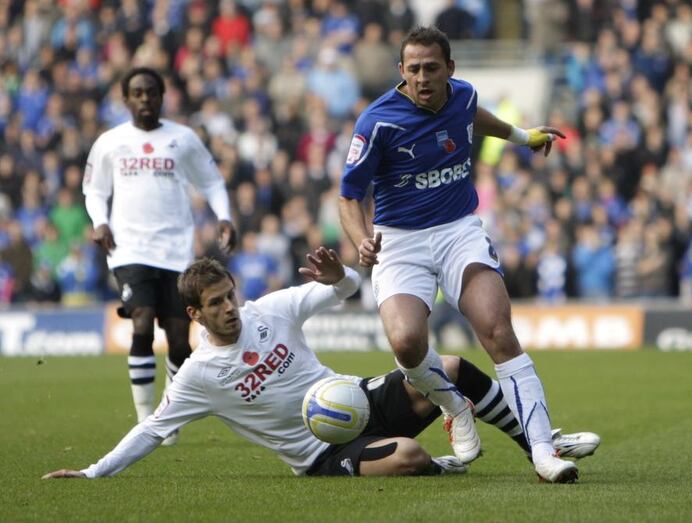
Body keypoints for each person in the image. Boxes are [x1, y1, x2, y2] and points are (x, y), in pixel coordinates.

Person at [42, 249, 599, 480]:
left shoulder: (269, 311)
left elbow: (348, 290)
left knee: (449, 365)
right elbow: (151, 430)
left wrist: (337, 276)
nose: (230, 309)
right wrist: (93, 472)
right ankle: (439, 465)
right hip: (324, 450)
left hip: (354, 396)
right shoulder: (198, 377)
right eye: (216, 304)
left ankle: (538, 444)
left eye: (230, 296)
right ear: (195, 312)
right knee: (408, 455)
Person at [338, 26, 578, 482]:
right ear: (401, 72)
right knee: (407, 344)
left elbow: (474, 118)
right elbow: (348, 194)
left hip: (457, 232)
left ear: (450, 68)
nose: (423, 78)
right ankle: (453, 404)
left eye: (432, 68)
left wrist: (523, 137)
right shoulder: (377, 121)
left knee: (498, 332)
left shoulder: (463, 96)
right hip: (399, 240)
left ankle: (544, 453)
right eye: (413, 70)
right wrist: (360, 239)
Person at [82, 67, 237, 445]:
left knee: (180, 337)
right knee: (141, 320)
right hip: (128, 249)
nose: (144, 99)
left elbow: (212, 181)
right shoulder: (110, 142)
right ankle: (143, 420)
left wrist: (225, 216)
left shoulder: (182, 139)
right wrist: (100, 223)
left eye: (151, 92)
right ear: (126, 99)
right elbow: (94, 190)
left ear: (162, 95)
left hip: (175, 250)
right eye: (137, 93)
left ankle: (168, 414)